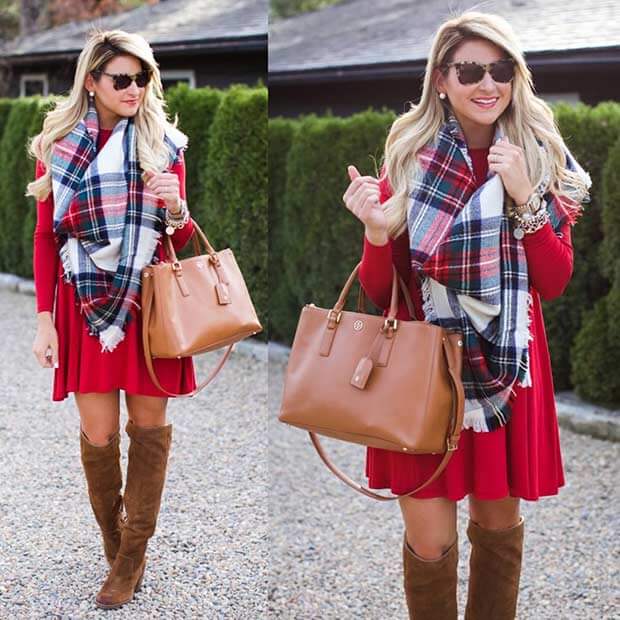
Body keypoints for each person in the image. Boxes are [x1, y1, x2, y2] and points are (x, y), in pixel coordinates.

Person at [341, 11, 590, 620]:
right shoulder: (409, 163)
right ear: (441, 80)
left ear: (516, 77)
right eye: (471, 69)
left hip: (510, 368)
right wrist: (377, 234)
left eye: (500, 69)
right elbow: (384, 292)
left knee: (498, 530)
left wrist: (527, 196)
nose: (488, 83)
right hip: (426, 373)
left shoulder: (538, 160)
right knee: (431, 542)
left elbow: (553, 280)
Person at [27, 29, 197, 610]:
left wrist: (174, 204)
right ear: (92, 82)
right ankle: (113, 541)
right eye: (120, 78)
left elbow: (184, 236)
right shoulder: (60, 146)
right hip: (82, 306)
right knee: (98, 435)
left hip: (149, 304)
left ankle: (130, 560)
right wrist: (44, 319)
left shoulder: (164, 145)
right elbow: (45, 240)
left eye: (142, 77)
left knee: (148, 432)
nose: (133, 89)